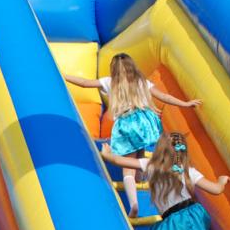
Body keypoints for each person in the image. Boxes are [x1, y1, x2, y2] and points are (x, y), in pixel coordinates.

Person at [65, 53, 201, 218]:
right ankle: (142, 181)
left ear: (114, 69)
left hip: (127, 126)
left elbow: (85, 83)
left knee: (127, 170)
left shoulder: (110, 82)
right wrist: (185, 103)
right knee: (139, 155)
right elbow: (164, 97)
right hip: (145, 123)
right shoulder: (142, 82)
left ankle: (134, 204)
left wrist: (64, 75)